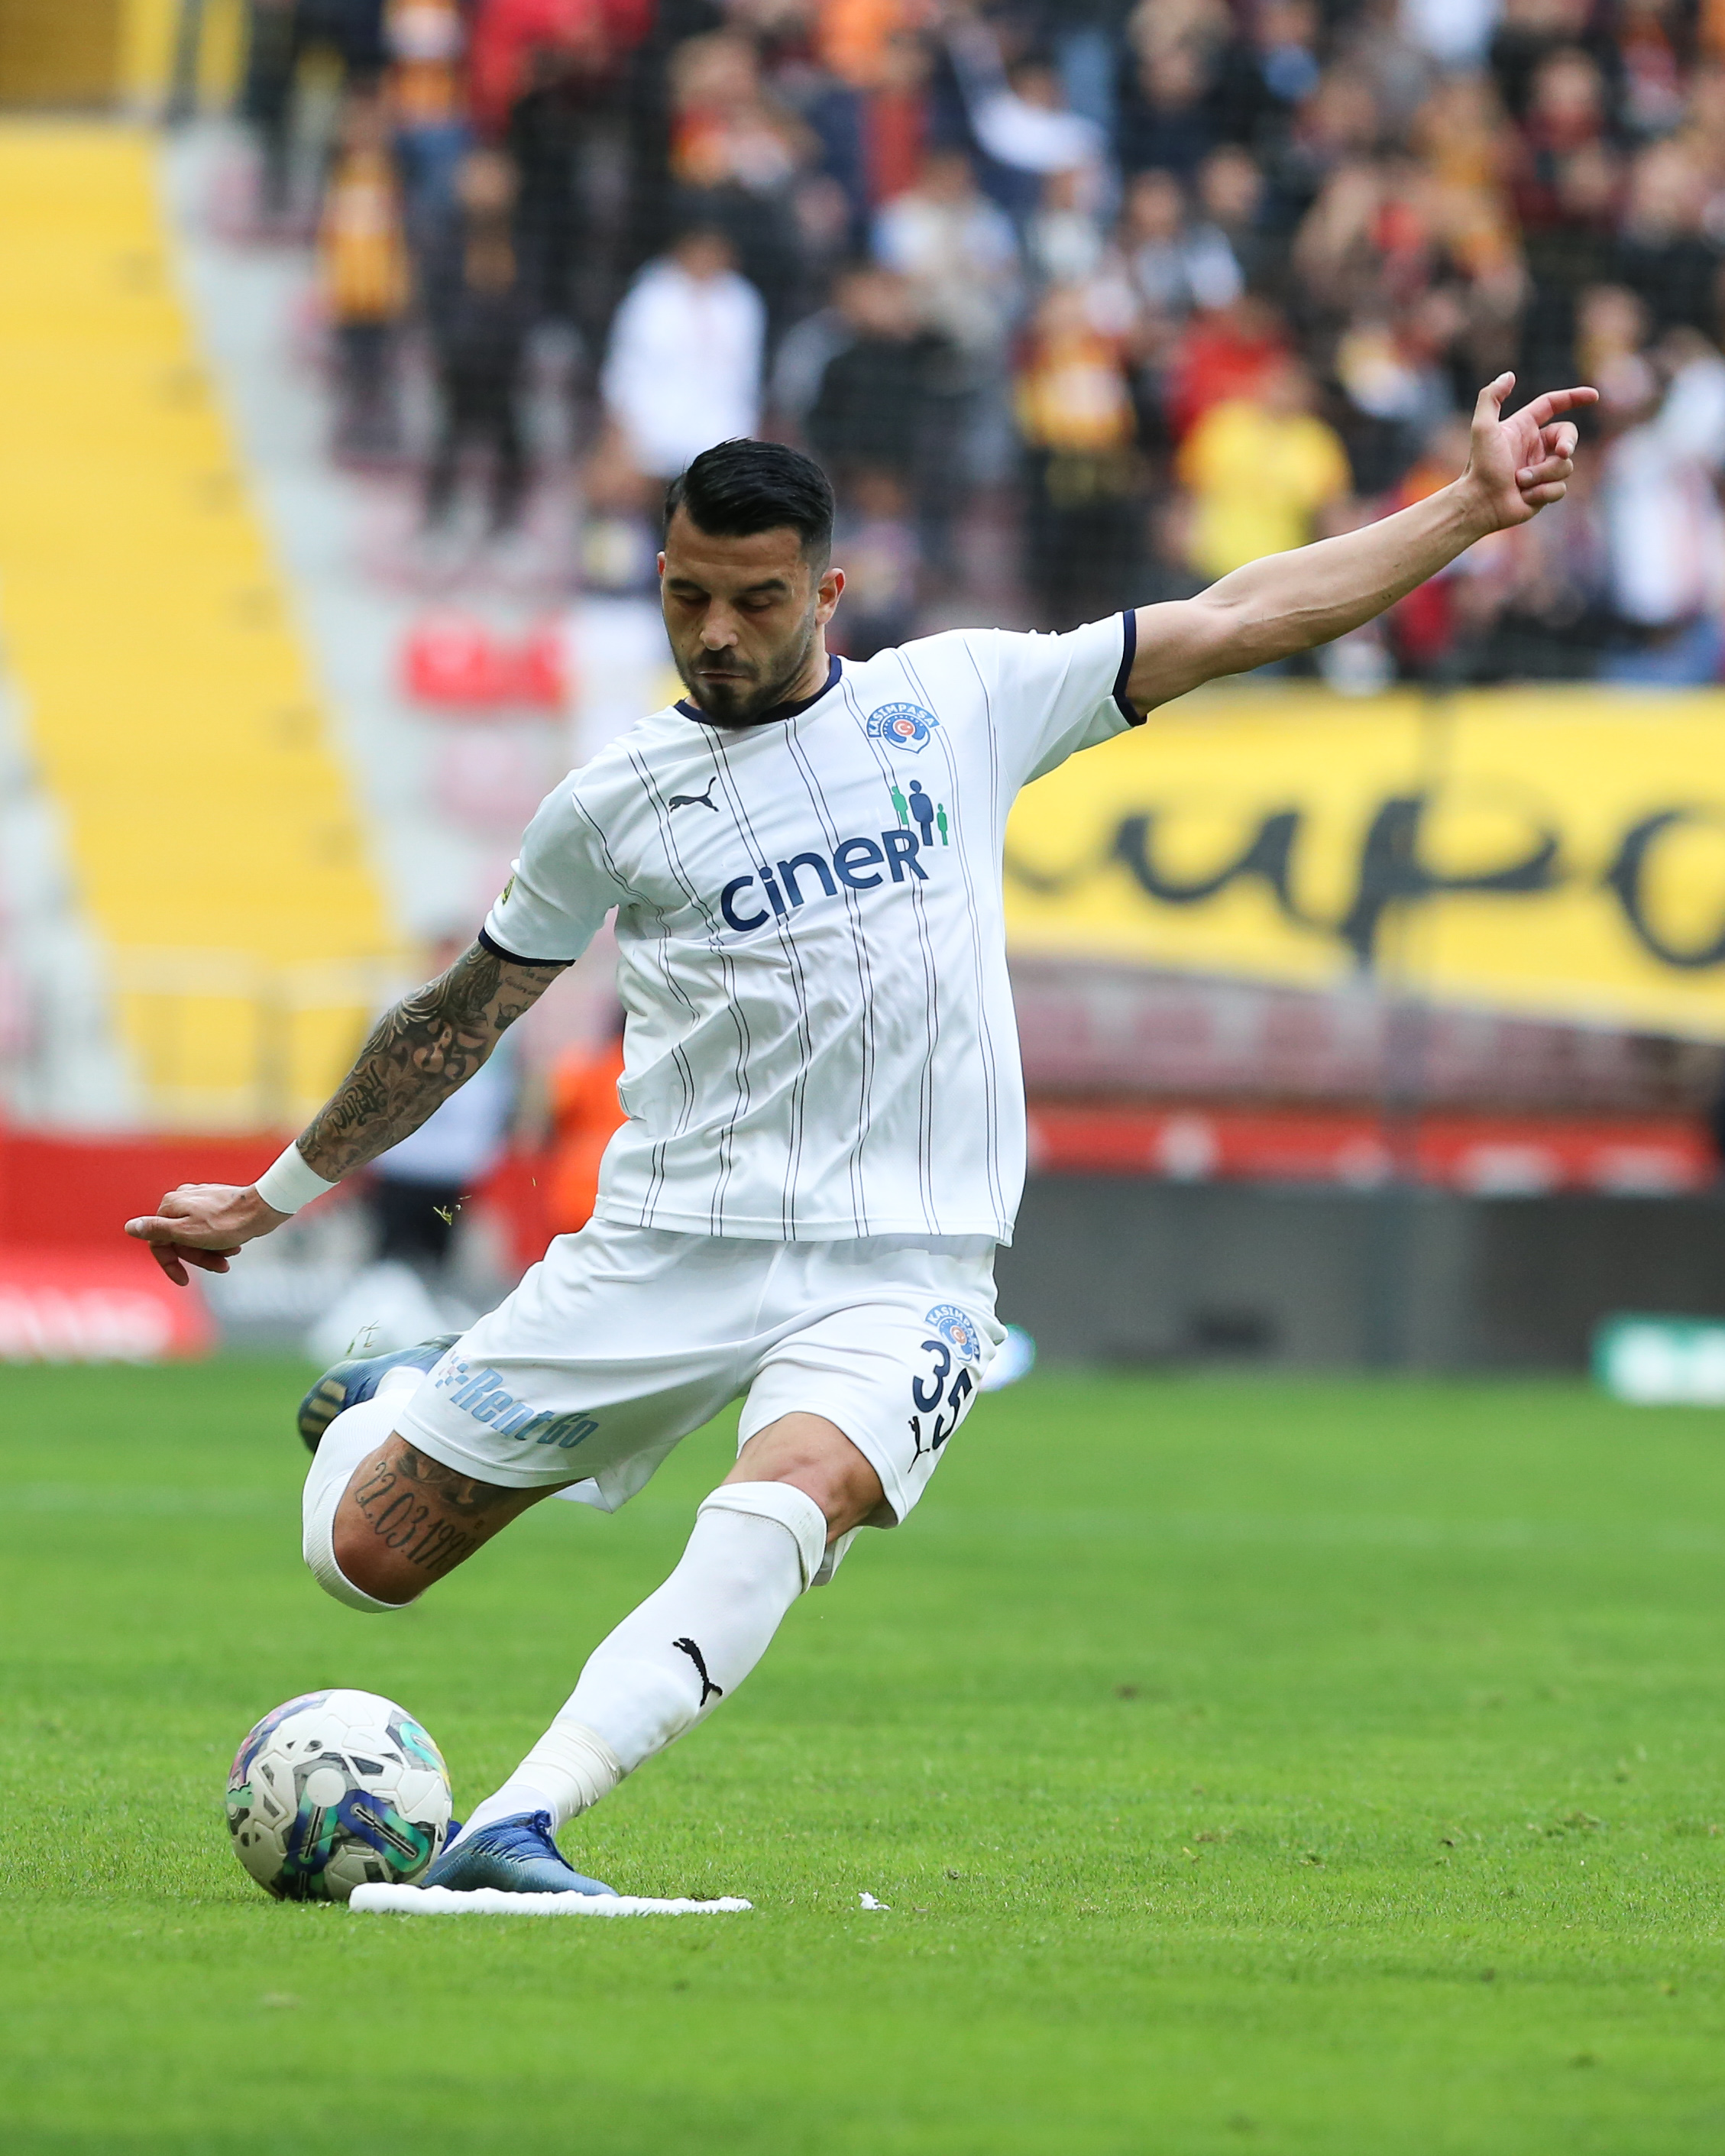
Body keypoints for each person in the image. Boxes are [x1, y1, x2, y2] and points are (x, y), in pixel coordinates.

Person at [128, 387, 1594, 1897]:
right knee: (361, 1561)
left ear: (826, 590)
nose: (716, 631)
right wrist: (274, 1195)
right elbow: (459, 1017)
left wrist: (1465, 510)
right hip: (670, 1245)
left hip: (906, 1265)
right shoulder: (608, 805)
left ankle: (519, 1822)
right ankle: (396, 1397)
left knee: (791, 1497)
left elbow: (1235, 615)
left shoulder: (954, 702)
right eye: (689, 596)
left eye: (756, 600)